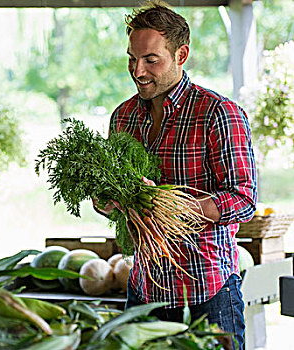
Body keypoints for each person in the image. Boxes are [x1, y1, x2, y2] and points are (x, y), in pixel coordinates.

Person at [94, 1, 257, 349]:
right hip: (144, 291)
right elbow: (108, 204)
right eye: (131, 58)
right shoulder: (122, 117)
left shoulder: (218, 113)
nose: (137, 70)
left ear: (181, 54)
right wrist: (107, 199)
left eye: (151, 60)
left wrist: (168, 204)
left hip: (207, 294)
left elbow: (243, 199)